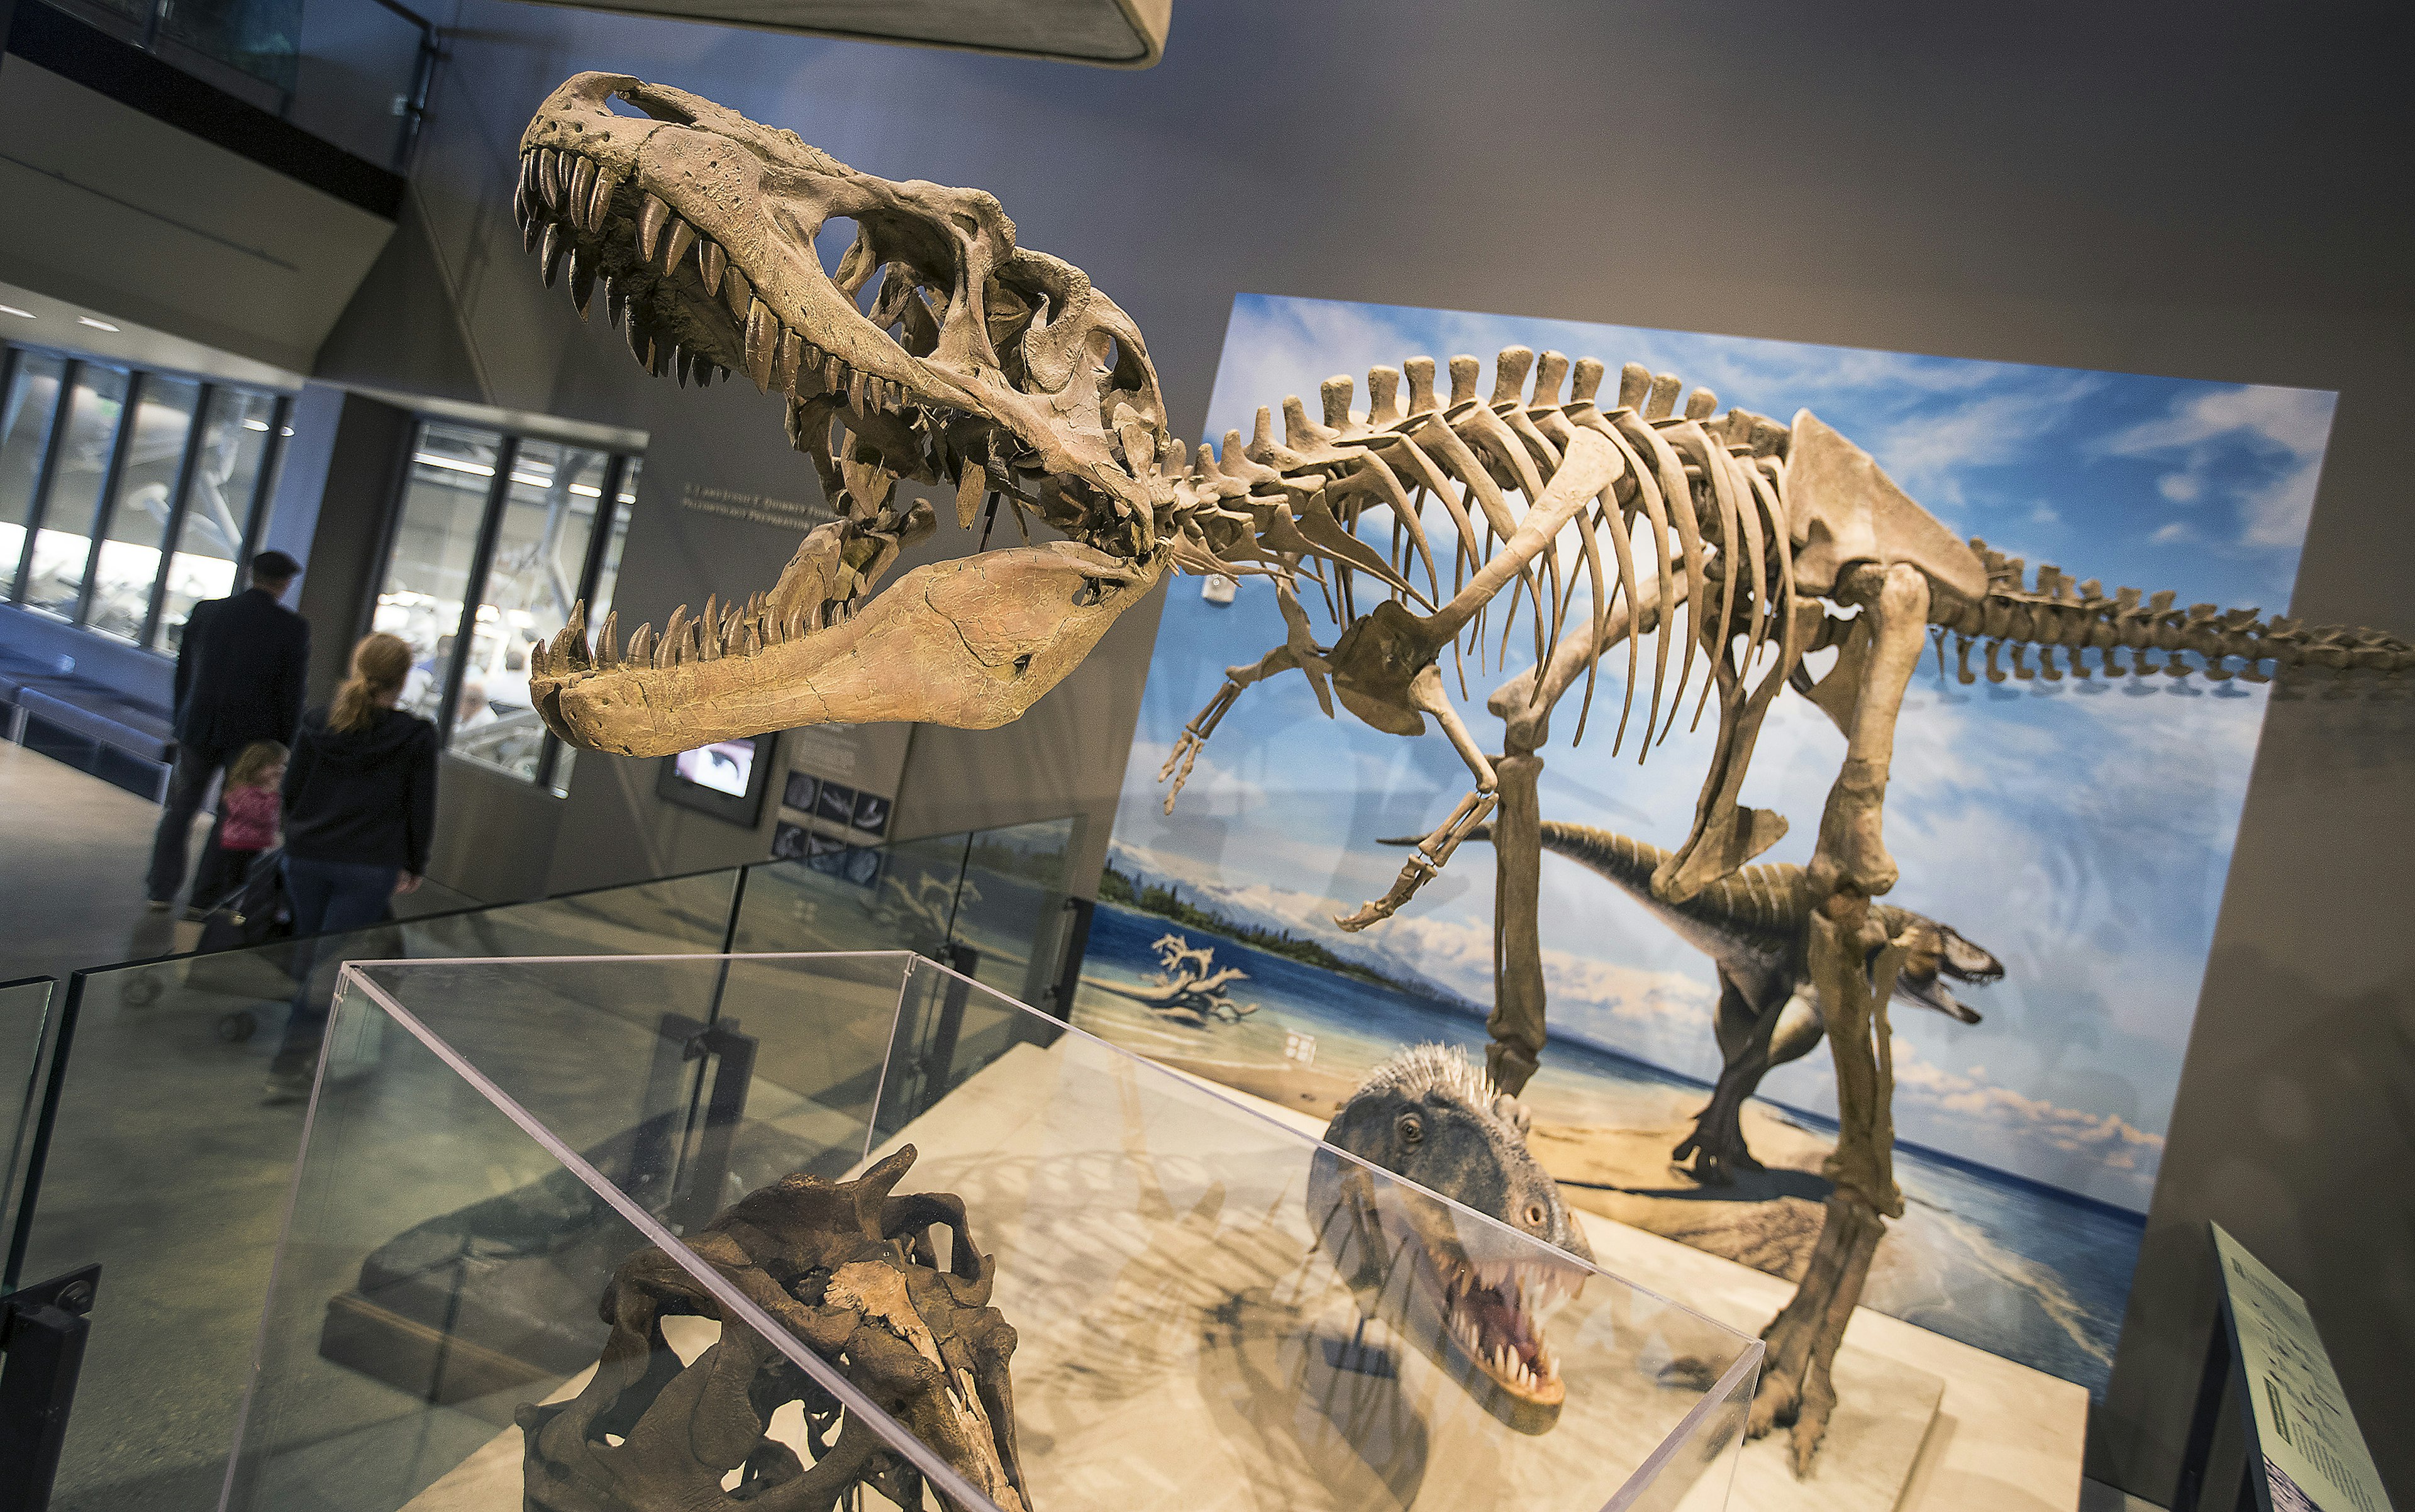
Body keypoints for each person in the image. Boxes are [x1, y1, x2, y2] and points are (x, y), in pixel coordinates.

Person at [265, 632, 437, 1103]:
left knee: (313, 956)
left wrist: (297, 833)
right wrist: (414, 860)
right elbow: (419, 806)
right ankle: (290, 1064)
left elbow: (292, 790)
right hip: (368, 864)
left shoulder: (318, 722)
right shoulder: (414, 735)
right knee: (327, 964)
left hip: (307, 857)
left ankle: (299, 1051)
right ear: (403, 679)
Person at [145, 550, 309, 909]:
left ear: (251, 573)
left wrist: (181, 719)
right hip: (252, 739)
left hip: (198, 726)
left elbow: (184, 671)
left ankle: (160, 890)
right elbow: (290, 692)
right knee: (235, 813)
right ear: (284, 583)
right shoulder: (292, 628)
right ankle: (206, 899)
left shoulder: (208, 612)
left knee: (181, 807)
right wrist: (282, 745)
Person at [188, 740, 285, 913]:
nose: (280, 771)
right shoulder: (243, 792)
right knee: (235, 883)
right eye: (275, 766)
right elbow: (262, 816)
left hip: (253, 845)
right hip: (238, 845)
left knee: (244, 882)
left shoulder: (258, 790)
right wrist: (273, 795)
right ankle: (226, 915)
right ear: (256, 767)